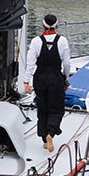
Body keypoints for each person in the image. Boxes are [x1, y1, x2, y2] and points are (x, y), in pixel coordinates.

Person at [23, 13, 72, 153]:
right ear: (57, 25)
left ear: (42, 25)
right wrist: (66, 79)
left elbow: (30, 64)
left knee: (42, 109)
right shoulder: (62, 41)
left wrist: (26, 82)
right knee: (56, 109)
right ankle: (51, 133)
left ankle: (45, 139)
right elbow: (67, 64)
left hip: (40, 78)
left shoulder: (35, 41)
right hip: (56, 78)